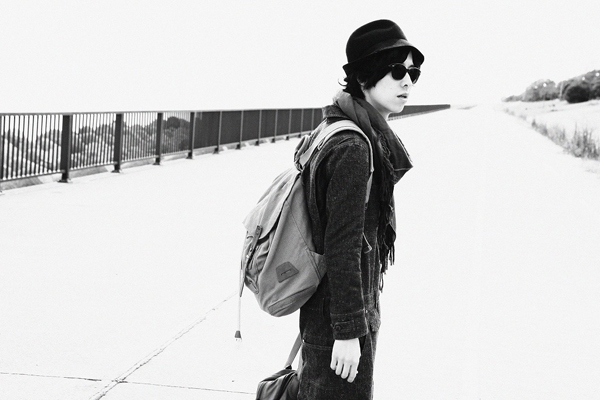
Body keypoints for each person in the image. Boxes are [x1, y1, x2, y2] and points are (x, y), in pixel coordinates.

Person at [295, 19, 424, 399]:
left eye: (413, 73)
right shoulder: (354, 146)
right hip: (340, 318)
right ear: (365, 76)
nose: (408, 82)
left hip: (331, 310)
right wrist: (349, 331)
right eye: (397, 71)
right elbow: (342, 244)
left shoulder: (338, 126)